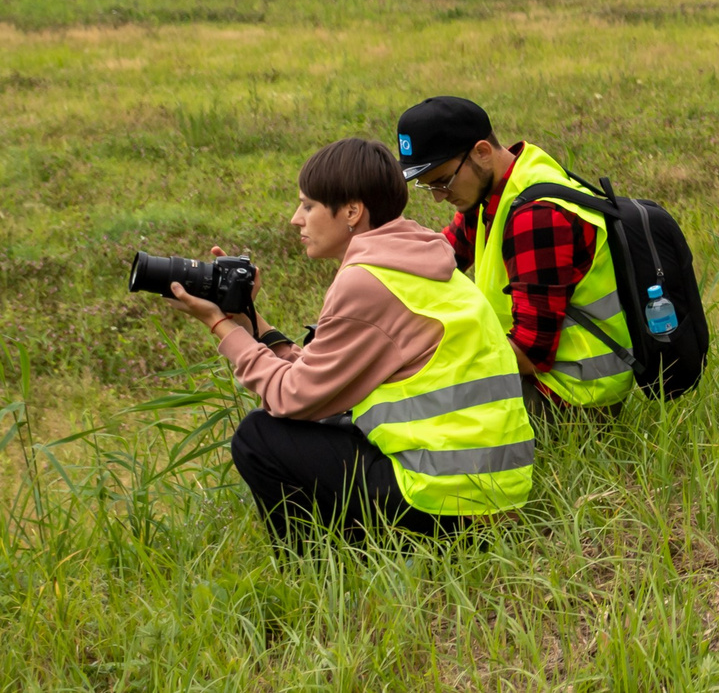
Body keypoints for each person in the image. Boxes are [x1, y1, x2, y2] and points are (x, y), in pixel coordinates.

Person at [163, 137, 534, 546]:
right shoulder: (416, 257)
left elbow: (292, 398)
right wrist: (252, 323)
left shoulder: (366, 281)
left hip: (447, 502)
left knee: (259, 436)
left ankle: (321, 570)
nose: (295, 219)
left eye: (308, 206)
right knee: (325, 422)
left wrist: (221, 328)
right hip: (495, 493)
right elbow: (325, 377)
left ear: (353, 211)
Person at [396, 96, 634, 414]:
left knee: (406, 403)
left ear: (481, 152)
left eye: (443, 182)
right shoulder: (493, 188)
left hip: (572, 396)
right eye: (429, 187)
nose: (440, 198)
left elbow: (529, 354)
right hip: (541, 376)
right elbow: (435, 262)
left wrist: (421, 359)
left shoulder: (535, 217)